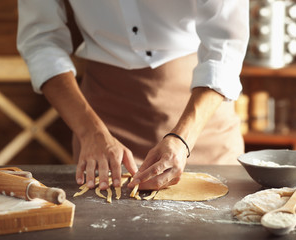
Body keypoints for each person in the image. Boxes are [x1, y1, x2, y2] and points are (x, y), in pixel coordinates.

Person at [17, 1, 249, 191]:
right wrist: (90, 130)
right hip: (100, 119)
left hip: (201, 116)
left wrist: (183, 138)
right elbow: (41, 41)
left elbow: (225, 44)